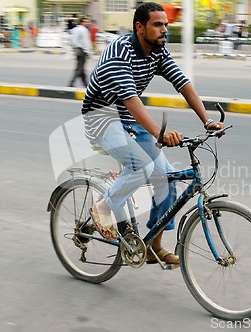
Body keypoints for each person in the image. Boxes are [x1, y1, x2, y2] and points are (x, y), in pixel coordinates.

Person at [80, 2, 224, 264]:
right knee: (141, 167)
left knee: (165, 178)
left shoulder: (158, 51)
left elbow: (183, 83)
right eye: (158, 25)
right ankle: (102, 209)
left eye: (166, 25)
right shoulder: (120, 51)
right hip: (102, 118)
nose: (164, 30)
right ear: (140, 27)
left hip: (131, 120)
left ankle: (154, 245)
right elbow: (132, 100)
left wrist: (207, 120)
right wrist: (159, 133)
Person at [68, 17, 92, 87]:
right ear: (81, 22)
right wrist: (89, 51)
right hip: (82, 50)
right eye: (85, 22)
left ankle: (86, 84)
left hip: (78, 50)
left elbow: (73, 40)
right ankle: (71, 83)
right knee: (80, 68)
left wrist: (74, 48)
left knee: (81, 67)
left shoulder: (75, 29)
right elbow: (86, 42)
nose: (87, 23)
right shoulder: (84, 30)